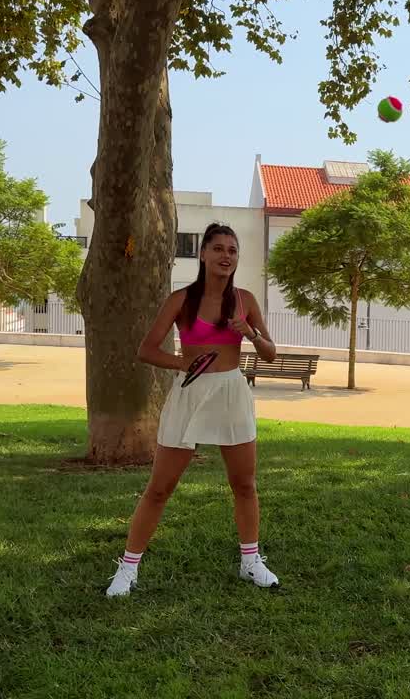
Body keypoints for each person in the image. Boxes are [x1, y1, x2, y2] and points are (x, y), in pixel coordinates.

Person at [106, 223, 280, 597]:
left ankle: (250, 562)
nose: (225, 256)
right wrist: (181, 363)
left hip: (232, 393)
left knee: (245, 485)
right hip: (190, 394)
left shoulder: (246, 300)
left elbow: (270, 353)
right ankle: (128, 568)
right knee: (159, 488)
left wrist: (248, 331)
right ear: (203, 253)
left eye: (232, 250)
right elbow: (146, 349)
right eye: (218, 248)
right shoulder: (181, 300)